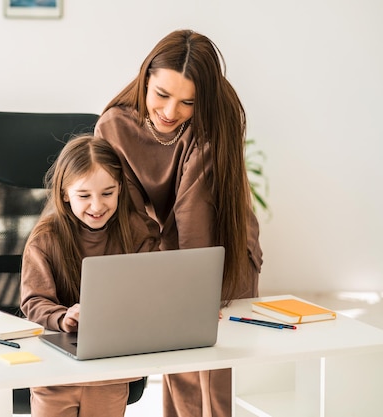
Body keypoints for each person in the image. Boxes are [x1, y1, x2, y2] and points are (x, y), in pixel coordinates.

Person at [95, 29, 264, 417]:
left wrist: (197, 292)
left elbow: (195, 217)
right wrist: (162, 286)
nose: (171, 112)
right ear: (145, 78)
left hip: (223, 245)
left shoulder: (212, 124)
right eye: (162, 95)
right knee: (179, 360)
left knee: (216, 368)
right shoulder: (114, 126)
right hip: (168, 253)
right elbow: (131, 216)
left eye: (188, 101)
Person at [20, 135, 159, 417]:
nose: (97, 206)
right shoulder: (46, 238)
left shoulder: (138, 231)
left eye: (108, 193)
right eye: (84, 196)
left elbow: (153, 290)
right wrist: (63, 317)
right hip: (55, 369)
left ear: (120, 189)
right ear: (64, 194)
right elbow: (34, 301)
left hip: (110, 367)